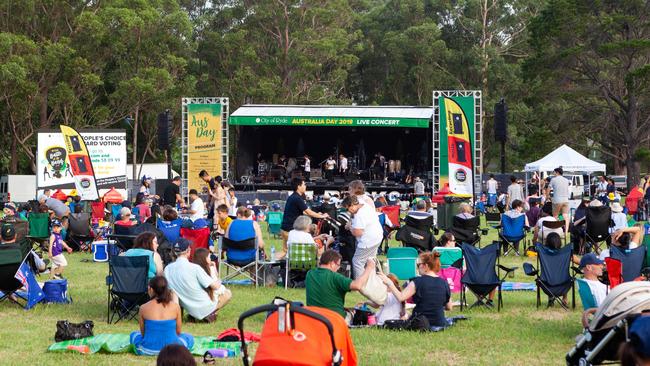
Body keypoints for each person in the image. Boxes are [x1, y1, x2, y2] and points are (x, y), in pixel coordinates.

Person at [380, 251, 452, 328]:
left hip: (419, 323)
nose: (417, 268)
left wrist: (389, 283)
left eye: (418, 265)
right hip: (440, 322)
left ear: (426, 266)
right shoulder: (444, 283)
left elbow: (401, 297)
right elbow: (449, 307)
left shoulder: (417, 281)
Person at [164, 239, 226, 322]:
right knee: (227, 293)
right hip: (202, 305)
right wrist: (219, 279)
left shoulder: (167, 269)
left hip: (182, 303)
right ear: (188, 251)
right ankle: (210, 314)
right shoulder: (195, 268)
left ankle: (189, 315)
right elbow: (215, 286)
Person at [130, 276, 194, 356]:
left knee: (134, 334)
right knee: (188, 337)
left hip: (147, 350)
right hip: (173, 351)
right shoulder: (176, 307)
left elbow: (143, 334)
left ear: (151, 290)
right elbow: (178, 332)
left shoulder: (143, 308)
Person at [305, 250, 375, 321]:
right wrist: (369, 268)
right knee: (358, 314)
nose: (338, 268)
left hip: (313, 317)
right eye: (338, 265)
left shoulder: (310, 274)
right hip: (335, 319)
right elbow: (357, 286)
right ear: (332, 264)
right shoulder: (335, 277)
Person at [280, 177, 328, 257]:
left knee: (286, 252)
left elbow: (303, 212)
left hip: (286, 228)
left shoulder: (293, 197)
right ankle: (269, 262)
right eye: (304, 184)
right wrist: (322, 216)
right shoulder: (297, 198)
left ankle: (271, 262)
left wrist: (317, 214)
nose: (305, 186)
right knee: (295, 252)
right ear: (299, 186)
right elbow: (308, 211)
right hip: (290, 230)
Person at [341, 195, 383, 279]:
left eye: (347, 208)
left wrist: (349, 227)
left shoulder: (359, 215)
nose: (348, 211)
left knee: (357, 261)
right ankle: (373, 279)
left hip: (368, 241)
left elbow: (358, 233)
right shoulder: (363, 204)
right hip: (377, 237)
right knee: (370, 261)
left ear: (352, 205)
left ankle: (360, 284)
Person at [578, 253, 607, 328]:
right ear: (589, 267)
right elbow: (603, 308)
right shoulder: (596, 287)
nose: (602, 266)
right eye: (598, 264)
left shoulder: (584, 283)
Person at [549, 167, 570, 231]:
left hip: (557, 200)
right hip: (566, 200)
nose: (553, 174)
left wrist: (548, 196)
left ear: (557, 172)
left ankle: (556, 230)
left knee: (555, 216)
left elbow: (548, 189)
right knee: (565, 216)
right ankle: (566, 232)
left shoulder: (553, 179)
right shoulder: (566, 180)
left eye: (554, 172)